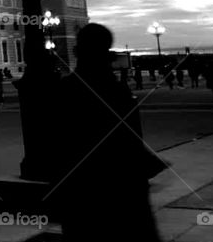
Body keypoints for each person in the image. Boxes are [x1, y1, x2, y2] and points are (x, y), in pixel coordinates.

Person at [48, 24, 163, 242]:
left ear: (76, 52)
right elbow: (131, 142)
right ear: (107, 54)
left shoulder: (66, 90)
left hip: (82, 198)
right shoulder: (118, 90)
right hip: (124, 194)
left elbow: (56, 149)